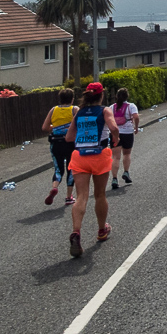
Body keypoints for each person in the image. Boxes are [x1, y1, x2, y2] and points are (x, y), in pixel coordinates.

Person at [65, 82, 120, 258]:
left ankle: (76, 232)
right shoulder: (104, 111)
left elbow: (69, 137)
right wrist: (116, 138)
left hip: (80, 156)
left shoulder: (79, 112)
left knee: (81, 196)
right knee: (100, 195)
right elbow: (113, 127)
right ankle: (102, 230)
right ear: (101, 95)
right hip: (99, 155)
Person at [41, 88, 78, 206]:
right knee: (71, 168)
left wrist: (56, 127)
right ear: (72, 99)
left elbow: (45, 128)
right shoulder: (75, 109)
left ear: (60, 99)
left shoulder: (53, 110)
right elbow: (79, 125)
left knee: (58, 169)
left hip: (55, 143)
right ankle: (68, 197)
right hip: (71, 143)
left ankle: (55, 187)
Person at [110, 88, 140, 190]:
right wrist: (136, 127)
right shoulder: (131, 106)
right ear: (127, 96)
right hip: (127, 132)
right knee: (127, 154)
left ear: (116, 96)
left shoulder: (112, 107)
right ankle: (126, 172)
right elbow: (136, 117)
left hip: (115, 133)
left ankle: (114, 179)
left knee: (116, 157)